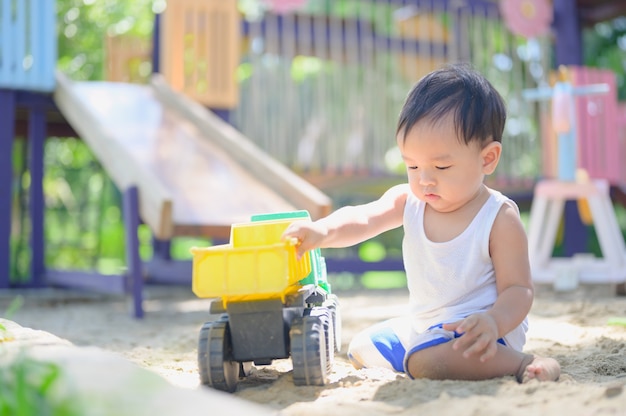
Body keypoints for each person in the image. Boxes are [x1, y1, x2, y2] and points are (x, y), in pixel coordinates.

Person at [282, 63, 560, 383]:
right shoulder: (409, 201)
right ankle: (423, 354)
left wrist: (494, 321)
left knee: (426, 361)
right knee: (363, 348)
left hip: (481, 335)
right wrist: (322, 231)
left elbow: (519, 289)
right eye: (412, 165)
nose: (424, 180)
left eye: (441, 167)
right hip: (427, 328)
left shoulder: (498, 217)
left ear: (487, 158)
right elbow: (363, 217)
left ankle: (523, 363)